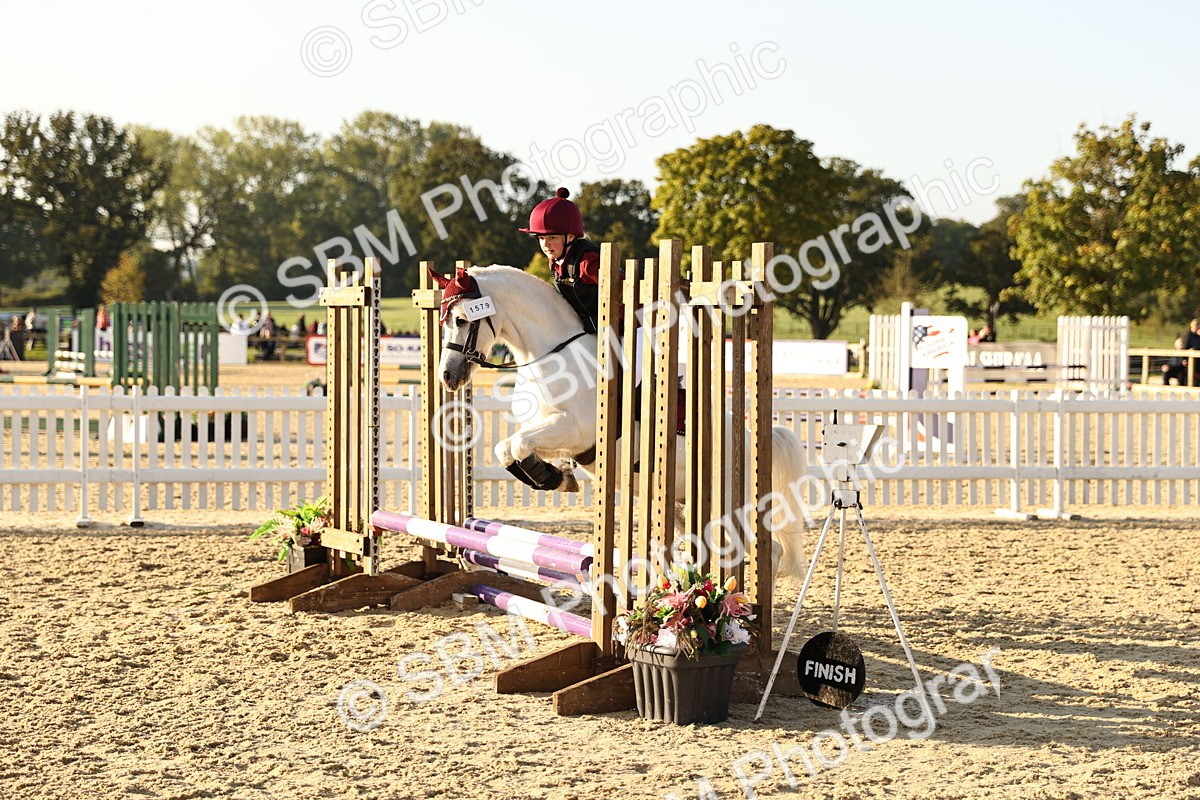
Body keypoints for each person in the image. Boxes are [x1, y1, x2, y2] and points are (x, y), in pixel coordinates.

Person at [520, 187, 602, 334]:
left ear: (570, 236)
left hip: (624, 329)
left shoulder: (588, 261)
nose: (545, 244)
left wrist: (598, 321)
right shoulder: (556, 261)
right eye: (541, 238)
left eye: (552, 237)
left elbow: (621, 294)